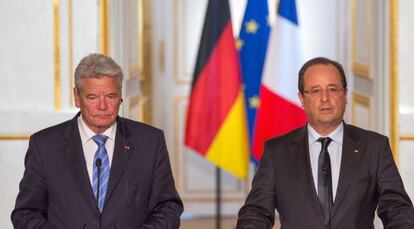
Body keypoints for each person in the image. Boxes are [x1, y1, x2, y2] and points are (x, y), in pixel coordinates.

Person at [237, 57, 414, 229]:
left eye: (333, 89)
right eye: (315, 90)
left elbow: (397, 208)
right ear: (301, 99)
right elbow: (256, 211)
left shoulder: (374, 147)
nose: (325, 98)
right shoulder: (277, 152)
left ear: (345, 94)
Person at [11, 53, 183, 228]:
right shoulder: (45, 146)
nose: (102, 106)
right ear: (77, 97)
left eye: (110, 96)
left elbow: (168, 207)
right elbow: (25, 213)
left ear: (120, 96)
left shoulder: (150, 142)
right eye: (92, 97)